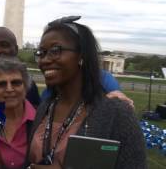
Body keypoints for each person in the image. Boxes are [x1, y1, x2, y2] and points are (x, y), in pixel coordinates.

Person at [25, 16, 146, 169]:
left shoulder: (117, 113)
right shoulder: (45, 108)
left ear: (82, 55)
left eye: (55, 50)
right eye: (41, 52)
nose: (45, 60)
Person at [0, 56, 36, 169]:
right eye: (1, 84)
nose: (9, 89)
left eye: (16, 83)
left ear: (25, 88)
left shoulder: (43, 120)